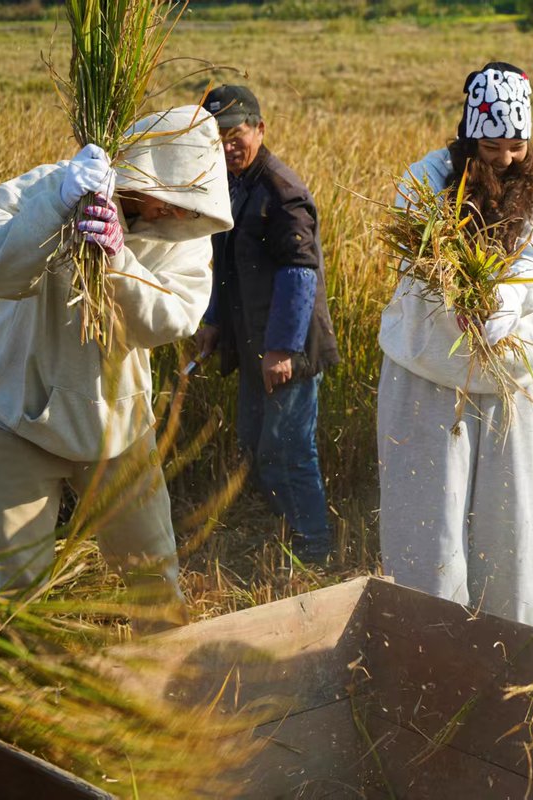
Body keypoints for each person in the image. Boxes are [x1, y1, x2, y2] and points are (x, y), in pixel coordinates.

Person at [0, 106, 233, 629]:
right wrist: (57, 206)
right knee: (18, 592)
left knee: (154, 577)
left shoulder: (185, 235)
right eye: (171, 198)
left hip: (119, 425)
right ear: (146, 172)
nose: (177, 213)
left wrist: (116, 260)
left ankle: (170, 696)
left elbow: (171, 318)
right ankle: (14, 702)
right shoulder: (43, 190)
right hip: (22, 415)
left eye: (187, 204)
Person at [377, 62, 533, 627]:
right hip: (427, 377)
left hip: (513, 384)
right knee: (429, 531)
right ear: (470, 135)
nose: (506, 159)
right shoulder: (425, 184)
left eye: (517, 146)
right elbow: (412, 256)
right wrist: (452, 290)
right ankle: (430, 646)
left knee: (512, 533)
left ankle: (509, 649)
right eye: (493, 145)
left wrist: (503, 305)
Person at [195, 85, 340, 564]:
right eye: (216, 136)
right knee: (256, 444)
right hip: (257, 342)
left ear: (260, 129)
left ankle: (314, 552)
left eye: (235, 133)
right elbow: (229, 267)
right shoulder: (234, 185)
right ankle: (288, 535)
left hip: (286, 349)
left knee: (290, 450)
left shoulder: (281, 191)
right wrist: (213, 322)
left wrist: (281, 350)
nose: (227, 145)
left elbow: (301, 272)